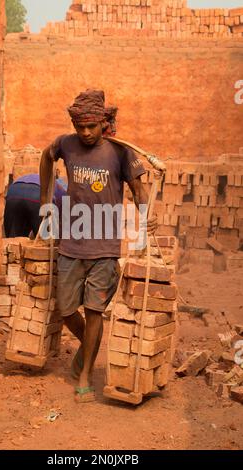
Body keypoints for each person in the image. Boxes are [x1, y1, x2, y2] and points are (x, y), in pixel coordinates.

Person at [39, 90, 157, 403]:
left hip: (104, 248)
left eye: (92, 127)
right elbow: (45, 157)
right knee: (66, 310)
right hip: (71, 243)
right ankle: (88, 346)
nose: (86, 133)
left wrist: (147, 216)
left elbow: (139, 187)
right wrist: (45, 201)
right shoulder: (65, 143)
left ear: (102, 122)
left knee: (94, 311)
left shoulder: (120, 152)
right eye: (81, 128)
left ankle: (86, 373)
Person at [4, 173, 67, 238]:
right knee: (44, 242)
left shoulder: (44, 179)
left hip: (14, 191)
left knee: (13, 240)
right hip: (37, 193)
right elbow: (62, 226)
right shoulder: (64, 193)